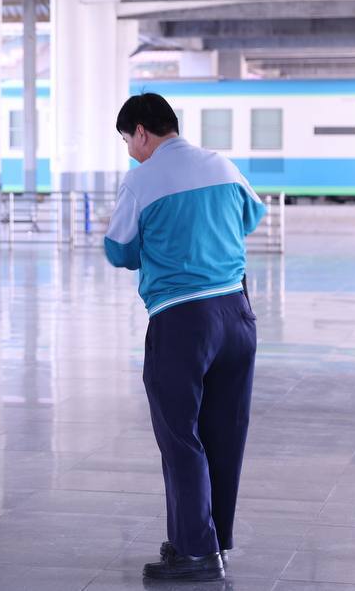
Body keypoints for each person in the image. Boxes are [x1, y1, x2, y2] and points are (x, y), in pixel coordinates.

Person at [104, 92, 265, 582]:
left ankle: (196, 552)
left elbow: (119, 251)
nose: (130, 150)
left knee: (180, 436)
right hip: (236, 313)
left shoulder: (141, 180)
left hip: (182, 321)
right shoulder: (222, 164)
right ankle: (216, 540)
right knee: (225, 433)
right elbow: (252, 217)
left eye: (127, 140)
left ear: (142, 132)